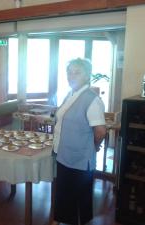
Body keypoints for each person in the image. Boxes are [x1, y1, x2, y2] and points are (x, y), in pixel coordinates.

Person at [52, 58, 107, 225]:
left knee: (77, 195)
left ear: (87, 75)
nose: (71, 75)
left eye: (77, 72)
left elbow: (100, 131)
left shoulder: (92, 99)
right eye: (69, 72)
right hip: (63, 153)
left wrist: (94, 146)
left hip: (80, 157)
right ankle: (60, 219)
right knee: (63, 191)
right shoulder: (71, 94)